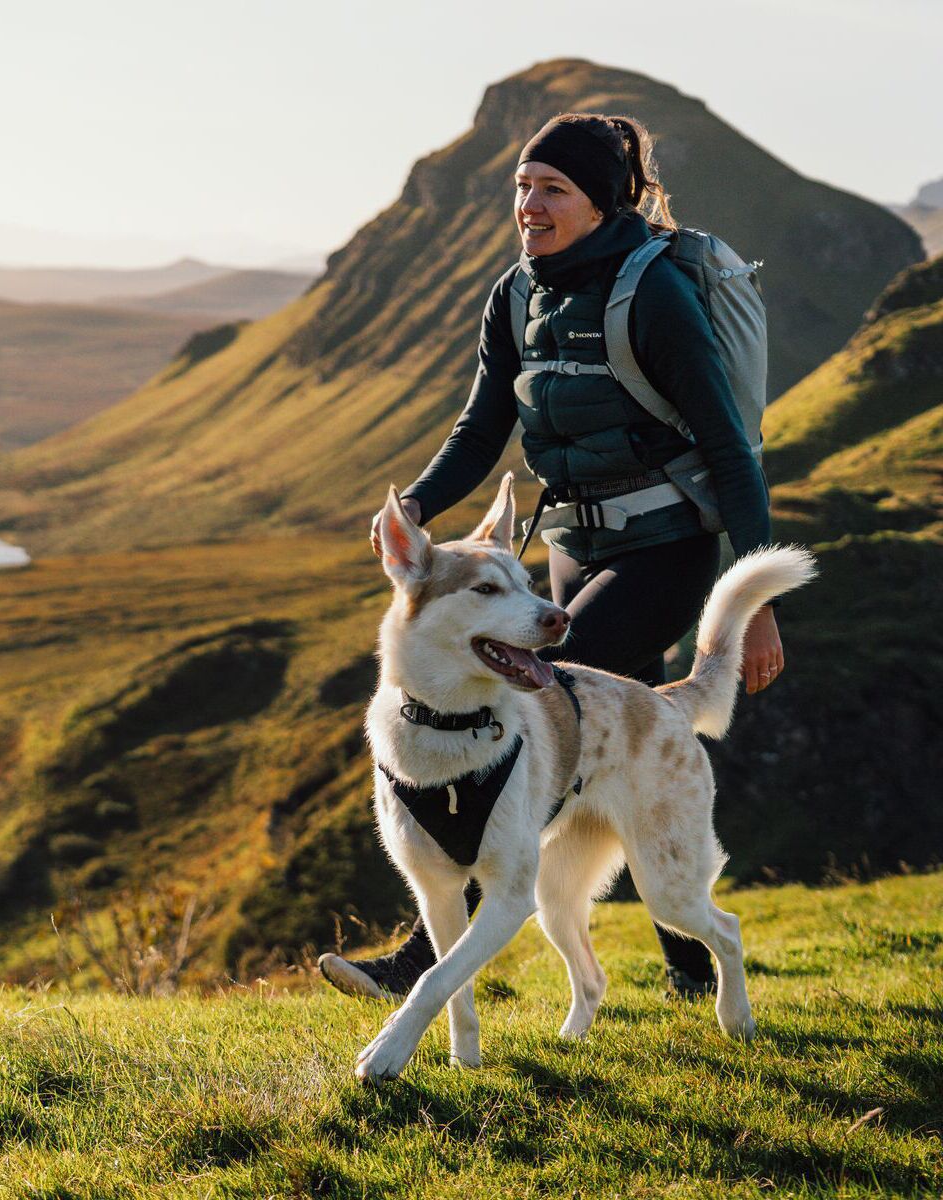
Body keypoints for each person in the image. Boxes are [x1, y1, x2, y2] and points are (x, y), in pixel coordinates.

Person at [318, 111, 785, 1002]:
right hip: (574, 546)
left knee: (547, 700)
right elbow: (481, 423)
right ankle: (690, 979)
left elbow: (730, 447)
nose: (530, 204)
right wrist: (419, 499)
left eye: (553, 189)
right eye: (522, 188)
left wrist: (756, 602)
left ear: (602, 202)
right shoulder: (516, 293)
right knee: (636, 755)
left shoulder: (654, 294)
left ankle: (417, 965)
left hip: (666, 546)